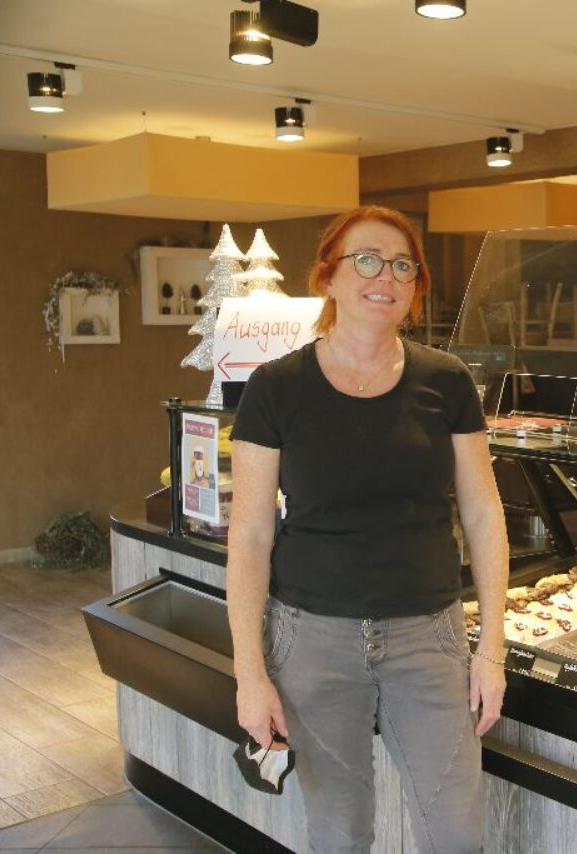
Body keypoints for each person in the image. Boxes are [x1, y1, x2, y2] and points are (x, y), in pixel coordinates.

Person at [226, 205, 508, 853]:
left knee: (456, 832)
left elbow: (483, 514)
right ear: (328, 277)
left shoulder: (447, 382)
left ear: (416, 286)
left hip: (429, 638)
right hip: (311, 640)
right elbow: (249, 536)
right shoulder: (274, 388)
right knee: (339, 833)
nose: (387, 277)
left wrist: (491, 647)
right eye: (367, 260)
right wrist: (249, 673)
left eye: (403, 266)